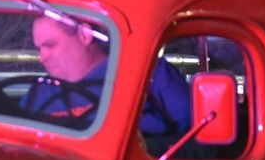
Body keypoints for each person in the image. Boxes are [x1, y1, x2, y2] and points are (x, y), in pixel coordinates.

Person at [23, 15, 190, 141]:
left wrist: (146, 150)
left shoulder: (148, 73)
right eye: (39, 48)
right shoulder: (38, 92)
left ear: (84, 35)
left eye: (50, 45)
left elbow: (198, 144)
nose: (42, 57)